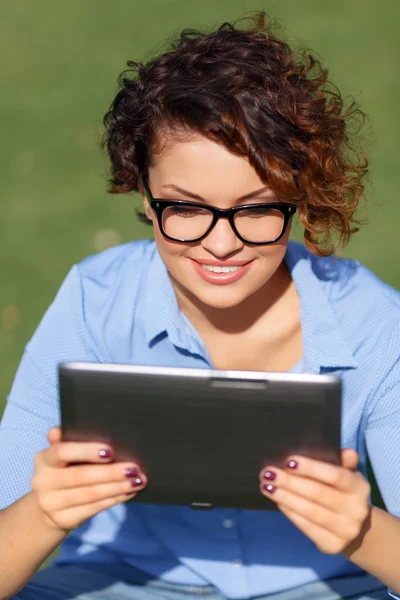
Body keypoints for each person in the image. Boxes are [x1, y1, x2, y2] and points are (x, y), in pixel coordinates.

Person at [1, 11, 400, 600]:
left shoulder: (373, 320)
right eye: (185, 208)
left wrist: (362, 531)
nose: (221, 243)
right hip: (116, 584)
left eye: (257, 209)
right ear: (144, 194)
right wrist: (45, 514)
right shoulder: (96, 297)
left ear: (298, 199)